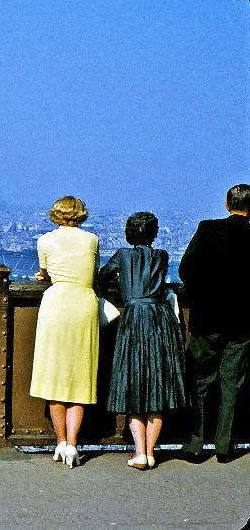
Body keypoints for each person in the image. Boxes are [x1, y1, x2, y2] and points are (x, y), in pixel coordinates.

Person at [99, 212, 188, 470]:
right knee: (157, 384)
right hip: (159, 318)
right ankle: (150, 452)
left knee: (134, 382)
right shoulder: (161, 256)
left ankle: (139, 451)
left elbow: (103, 276)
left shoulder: (122, 256)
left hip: (135, 316)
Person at [179, 184, 250, 464]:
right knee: (232, 382)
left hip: (207, 318)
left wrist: (201, 298)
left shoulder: (207, 229)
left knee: (201, 381)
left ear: (226, 204)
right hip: (243, 321)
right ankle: (224, 445)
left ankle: (196, 442)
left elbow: (186, 269)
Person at [30, 196, 99, 468]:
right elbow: (90, 273)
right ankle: (73, 443)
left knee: (54, 376)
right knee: (80, 377)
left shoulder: (44, 240)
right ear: (81, 214)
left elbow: (47, 272)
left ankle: (60, 441)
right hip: (84, 304)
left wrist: (44, 278)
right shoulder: (91, 239)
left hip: (56, 305)